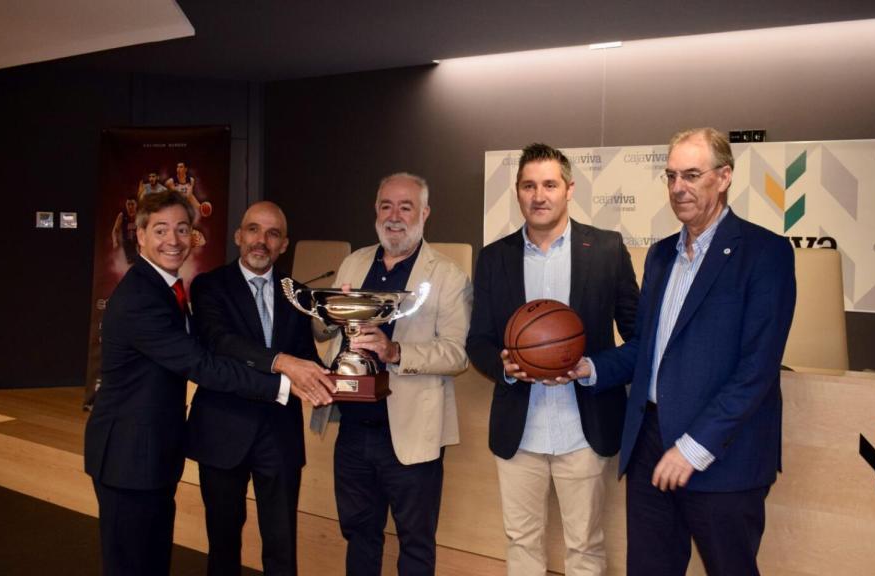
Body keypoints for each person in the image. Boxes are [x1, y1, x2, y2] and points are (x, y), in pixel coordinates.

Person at [573, 128, 797, 576]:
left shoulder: (766, 252)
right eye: (671, 176)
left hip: (721, 454)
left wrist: (691, 449)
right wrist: (589, 367)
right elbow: (645, 347)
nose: (678, 188)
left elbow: (756, 370)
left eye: (692, 175)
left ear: (724, 176)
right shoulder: (659, 256)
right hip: (650, 445)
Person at [83, 190, 329, 576]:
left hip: (156, 451)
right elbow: (204, 361)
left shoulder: (166, 290)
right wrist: (284, 380)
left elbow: (304, 351)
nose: (174, 240)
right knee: (133, 562)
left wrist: (333, 376)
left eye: (182, 230)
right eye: (161, 230)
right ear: (140, 235)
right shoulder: (144, 298)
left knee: (151, 560)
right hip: (129, 455)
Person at [466, 143, 639, 576]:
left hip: (585, 428)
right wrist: (503, 368)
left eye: (548, 184)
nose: (538, 195)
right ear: (517, 192)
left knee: (585, 547)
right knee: (521, 544)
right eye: (528, 185)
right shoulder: (493, 258)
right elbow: (478, 340)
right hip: (519, 431)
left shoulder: (606, 249)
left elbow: (641, 338)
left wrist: (595, 369)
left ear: (569, 189)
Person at [311, 172, 472, 576]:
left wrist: (394, 350)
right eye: (386, 206)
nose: (394, 216)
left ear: (425, 213)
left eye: (406, 206)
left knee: (415, 545)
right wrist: (326, 315)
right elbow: (324, 328)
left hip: (412, 435)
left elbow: (457, 354)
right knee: (359, 536)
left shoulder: (448, 275)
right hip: (352, 430)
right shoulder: (354, 261)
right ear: (376, 211)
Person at [187, 201, 336, 575]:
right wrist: (282, 363)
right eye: (253, 230)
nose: (261, 241)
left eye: (272, 234)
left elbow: (305, 355)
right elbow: (221, 342)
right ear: (239, 236)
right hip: (222, 431)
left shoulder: (297, 294)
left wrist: (337, 375)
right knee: (222, 545)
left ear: (284, 244)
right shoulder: (208, 286)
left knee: (282, 546)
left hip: (280, 435)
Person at [111, 197, 138, 264]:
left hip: (138, 242)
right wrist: (115, 241)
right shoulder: (122, 215)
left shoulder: (140, 214)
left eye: (132, 204)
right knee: (131, 263)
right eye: (128, 204)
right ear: (125, 205)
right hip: (127, 242)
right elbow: (115, 230)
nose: (130, 207)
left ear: (136, 205)